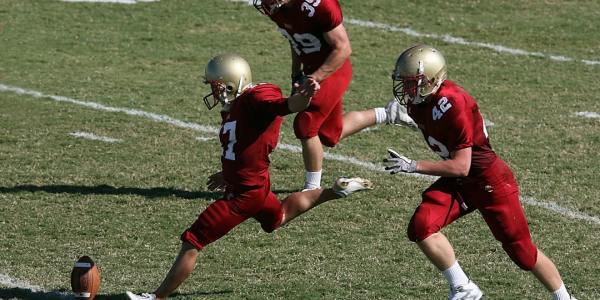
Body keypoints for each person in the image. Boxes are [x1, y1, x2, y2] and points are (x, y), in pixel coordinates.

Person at [125, 54, 373, 300]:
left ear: (233, 82)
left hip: (243, 195)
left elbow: (287, 106)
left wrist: (303, 96)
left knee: (193, 240)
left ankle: (156, 297)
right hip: (256, 186)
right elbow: (245, 143)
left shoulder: (256, 97)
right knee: (278, 218)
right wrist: (229, 171)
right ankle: (337, 191)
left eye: (217, 86)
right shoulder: (235, 106)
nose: (214, 92)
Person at [383, 44, 576, 300]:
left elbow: (461, 165)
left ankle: (565, 298)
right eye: (405, 82)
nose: (407, 89)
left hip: (488, 180)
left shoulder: (454, 103)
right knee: (422, 226)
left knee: (522, 253)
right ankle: (464, 288)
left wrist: (413, 165)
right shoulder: (418, 102)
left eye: (412, 82)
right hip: (461, 182)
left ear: (431, 79)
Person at [253, 0, 413, 191]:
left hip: (334, 70)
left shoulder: (319, 5)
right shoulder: (278, 8)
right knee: (330, 135)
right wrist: (296, 73)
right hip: (313, 70)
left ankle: (312, 188)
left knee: (305, 125)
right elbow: (295, 41)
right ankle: (389, 113)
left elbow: (343, 48)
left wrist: (315, 77)